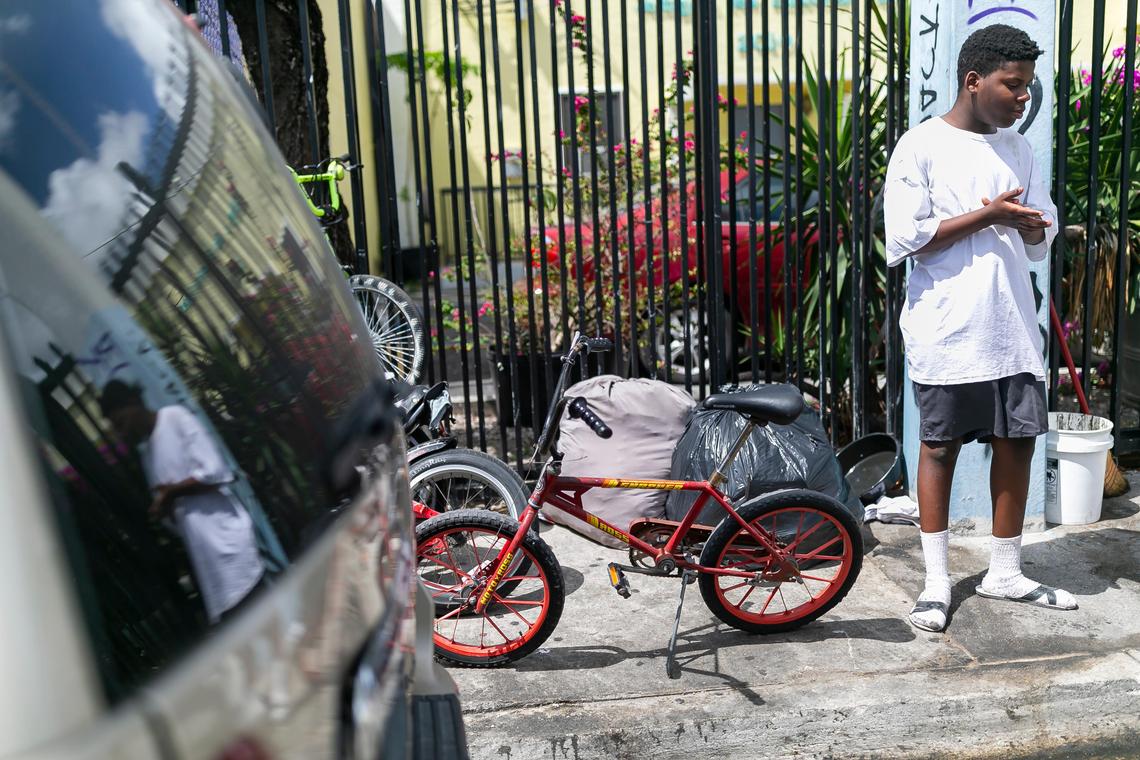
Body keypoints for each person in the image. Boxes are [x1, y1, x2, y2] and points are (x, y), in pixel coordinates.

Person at [883, 24, 1077, 633]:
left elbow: (1041, 234)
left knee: (1017, 442)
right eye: (1012, 85)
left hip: (1011, 324)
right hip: (948, 325)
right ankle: (936, 581)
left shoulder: (1018, 148)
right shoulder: (920, 146)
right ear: (974, 79)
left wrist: (1033, 226)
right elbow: (906, 239)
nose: (1023, 98)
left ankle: (1005, 572)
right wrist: (989, 214)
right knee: (939, 447)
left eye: (1027, 86)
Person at [99, 380, 265, 624]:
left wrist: (172, 493)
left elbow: (215, 471)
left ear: (134, 403)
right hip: (209, 565)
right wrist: (163, 509)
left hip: (231, 546)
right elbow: (173, 512)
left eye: (121, 422)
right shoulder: (147, 455)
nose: (122, 433)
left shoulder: (174, 417)